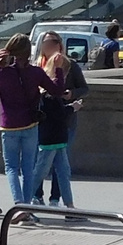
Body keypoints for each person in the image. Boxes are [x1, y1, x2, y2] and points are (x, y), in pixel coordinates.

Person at [0, 34, 67, 225]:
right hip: (30, 124)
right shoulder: (36, 73)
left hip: (8, 125)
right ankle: (27, 208)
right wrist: (58, 70)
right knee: (28, 169)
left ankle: (19, 205)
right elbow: (57, 91)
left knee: (11, 167)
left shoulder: (3, 72)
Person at [34, 31, 89, 217]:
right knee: (40, 170)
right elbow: (55, 112)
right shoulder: (47, 87)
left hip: (60, 134)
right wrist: (72, 107)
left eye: (54, 42)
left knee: (63, 172)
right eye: (47, 42)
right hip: (50, 135)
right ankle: (27, 201)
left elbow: (83, 88)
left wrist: (71, 96)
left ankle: (68, 206)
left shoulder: (69, 66)